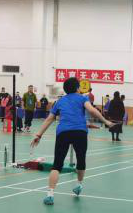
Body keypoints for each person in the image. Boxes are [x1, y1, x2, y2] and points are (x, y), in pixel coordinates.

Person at [31, 77, 112, 205]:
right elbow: (91, 110)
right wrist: (106, 121)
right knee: (81, 160)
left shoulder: (60, 101)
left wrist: (38, 135)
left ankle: (50, 195)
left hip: (63, 133)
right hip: (80, 132)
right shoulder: (83, 98)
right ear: (77, 88)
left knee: (57, 165)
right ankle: (79, 185)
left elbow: (49, 119)